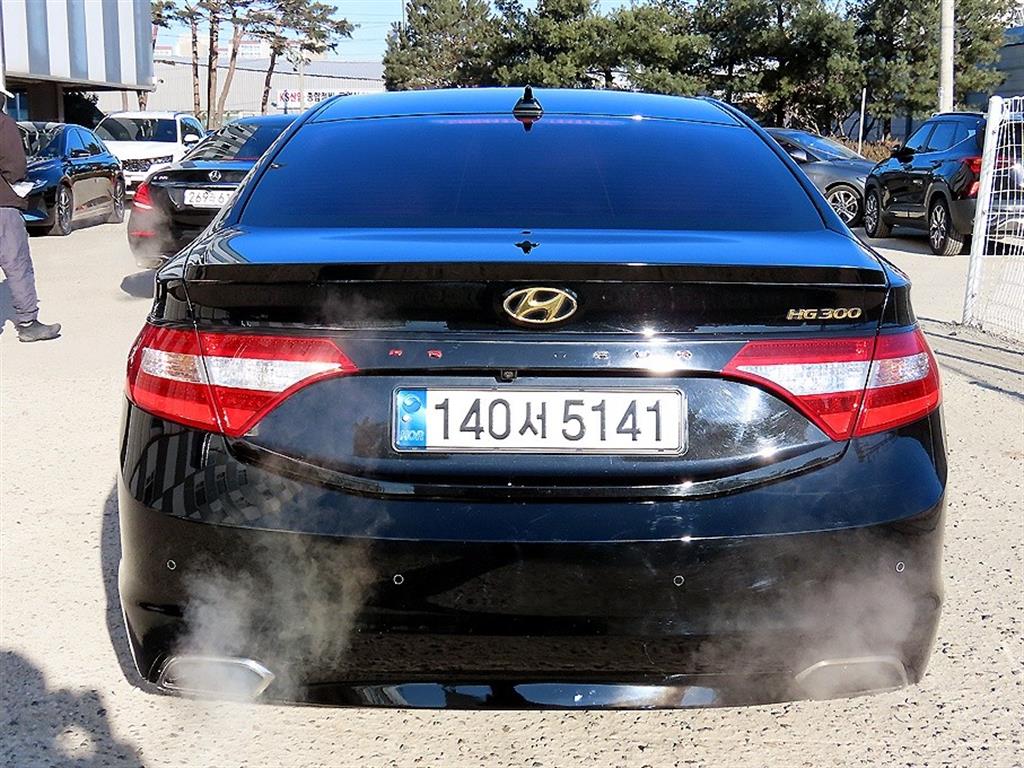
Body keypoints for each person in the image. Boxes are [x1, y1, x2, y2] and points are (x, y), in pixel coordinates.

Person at [0, 87, 60, 342]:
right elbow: (14, 166)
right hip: (3, 204)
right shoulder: (3, 124)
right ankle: (28, 323)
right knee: (17, 263)